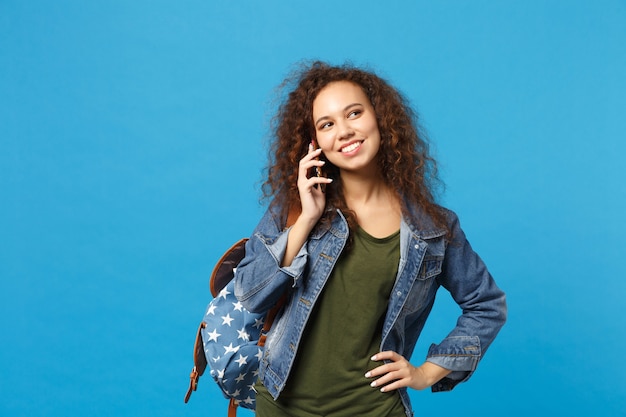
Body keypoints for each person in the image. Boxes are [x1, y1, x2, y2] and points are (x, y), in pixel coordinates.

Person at [234, 61, 507, 417]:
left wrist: (426, 372)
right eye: (327, 124)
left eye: (354, 113)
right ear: (315, 143)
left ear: (380, 118)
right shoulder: (294, 207)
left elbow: (486, 305)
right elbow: (251, 295)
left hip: (374, 409)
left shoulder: (433, 228)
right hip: (282, 405)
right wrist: (306, 220)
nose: (344, 131)